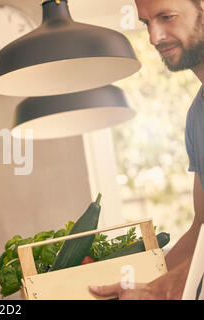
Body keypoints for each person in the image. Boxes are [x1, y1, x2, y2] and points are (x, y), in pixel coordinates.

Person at [89, 0, 204, 300]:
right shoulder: (197, 116)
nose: (154, 37)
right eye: (146, 23)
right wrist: (140, 287)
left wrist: (162, 289)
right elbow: (201, 231)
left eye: (167, 17)